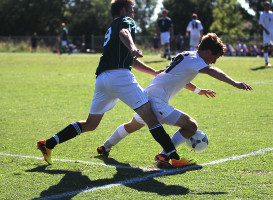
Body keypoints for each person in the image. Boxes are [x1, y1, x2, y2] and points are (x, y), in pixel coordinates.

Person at [37, 0, 193, 168]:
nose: (133, 13)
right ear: (123, 10)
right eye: (132, 9)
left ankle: (49, 143)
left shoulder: (111, 28)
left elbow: (130, 61)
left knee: (90, 124)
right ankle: (174, 157)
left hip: (103, 79)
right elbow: (125, 32)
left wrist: (153, 72)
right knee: (150, 117)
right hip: (120, 77)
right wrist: (133, 46)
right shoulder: (125, 22)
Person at [97, 33, 253, 167]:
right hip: (157, 101)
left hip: (146, 96)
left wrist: (198, 90)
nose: (213, 61)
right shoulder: (196, 59)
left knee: (132, 126)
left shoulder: (186, 55)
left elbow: (180, 78)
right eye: (215, 57)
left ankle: (105, 147)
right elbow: (212, 71)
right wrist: (235, 83)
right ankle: (165, 155)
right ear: (208, 51)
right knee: (191, 126)